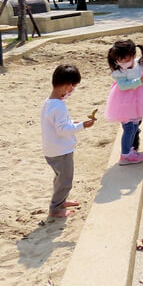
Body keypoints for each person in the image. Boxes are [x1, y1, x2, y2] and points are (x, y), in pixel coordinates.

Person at [41, 64, 94, 218]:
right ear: (67, 85)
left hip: (51, 149)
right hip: (60, 150)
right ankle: (56, 209)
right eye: (73, 87)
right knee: (65, 181)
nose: (72, 91)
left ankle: (60, 201)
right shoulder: (59, 106)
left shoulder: (49, 102)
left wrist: (73, 122)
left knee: (59, 179)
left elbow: (57, 124)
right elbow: (63, 130)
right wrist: (82, 125)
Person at [105, 39, 143, 165]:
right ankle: (125, 155)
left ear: (133, 56)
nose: (123, 63)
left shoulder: (139, 63)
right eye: (120, 60)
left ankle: (129, 149)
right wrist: (140, 81)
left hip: (138, 99)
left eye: (126, 60)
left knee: (136, 125)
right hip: (124, 102)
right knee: (129, 128)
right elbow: (123, 86)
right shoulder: (119, 71)